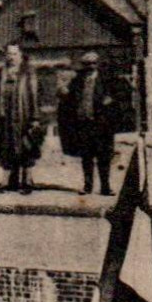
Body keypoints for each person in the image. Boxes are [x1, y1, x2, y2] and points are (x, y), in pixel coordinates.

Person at [57, 52, 117, 195]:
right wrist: (63, 92)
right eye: (87, 64)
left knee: (104, 157)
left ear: (97, 64)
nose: (90, 67)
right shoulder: (77, 81)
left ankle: (105, 187)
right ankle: (87, 186)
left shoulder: (106, 80)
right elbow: (69, 98)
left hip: (102, 125)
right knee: (86, 157)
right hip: (83, 124)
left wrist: (110, 101)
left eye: (93, 64)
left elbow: (118, 95)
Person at [0, 43, 41, 194]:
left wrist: (35, 117)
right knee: (7, 146)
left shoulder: (28, 71)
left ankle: (27, 180)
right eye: (8, 54)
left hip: (24, 114)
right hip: (6, 116)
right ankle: (10, 180)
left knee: (26, 145)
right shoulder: (2, 72)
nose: (11, 57)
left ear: (20, 55)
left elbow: (34, 95)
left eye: (14, 54)